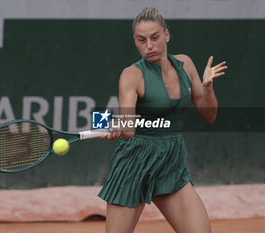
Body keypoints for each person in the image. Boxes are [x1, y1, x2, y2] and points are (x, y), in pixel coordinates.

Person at [98, 7, 227, 233]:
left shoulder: (185, 65)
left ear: (166, 35)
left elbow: (210, 116)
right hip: (134, 163)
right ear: (135, 42)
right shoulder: (131, 75)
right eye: (141, 40)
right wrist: (116, 126)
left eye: (155, 38)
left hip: (171, 161)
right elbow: (128, 130)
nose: (149, 45)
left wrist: (207, 87)